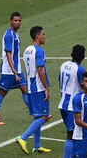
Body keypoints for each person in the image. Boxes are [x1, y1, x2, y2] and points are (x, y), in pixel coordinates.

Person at [15, 26, 52, 154]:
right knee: (44, 115)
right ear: (37, 36)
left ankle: (37, 146)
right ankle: (23, 137)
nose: (45, 36)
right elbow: (40, 70)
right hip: (39, 88)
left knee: (37, 117)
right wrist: (46, 88)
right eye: (43, 34)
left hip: (31, 87)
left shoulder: (26, 50)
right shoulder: (39, 51)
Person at [0, 12, 28, 125]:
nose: (17, 22)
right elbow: (8, 54)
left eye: (19, 20)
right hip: (10, 71)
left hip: (16, 70)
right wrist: (13, 70)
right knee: (2, 92)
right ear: (11, 21)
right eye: (15, 20)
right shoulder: (9, 35)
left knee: (25, 89)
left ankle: (37, 113)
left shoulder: (15, 35)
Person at [58, 44, 86, 158]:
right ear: (83, 57)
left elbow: (60, 81)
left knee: (72, 133)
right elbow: (84, 87)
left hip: (62, 104)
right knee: (72, 134)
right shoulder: (80, 70)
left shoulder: (64, 65)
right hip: (72, 108)